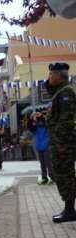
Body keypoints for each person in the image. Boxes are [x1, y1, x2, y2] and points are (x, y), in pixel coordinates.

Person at [45, 62, 76, 223]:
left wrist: (61, 143)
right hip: (60, 141)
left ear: (59, 76)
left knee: (66, 174)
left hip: (64, 143)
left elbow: (66, 121)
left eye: (51, 75)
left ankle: (70, 210)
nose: (48, 77)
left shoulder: (66, 93)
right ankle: (69, 208)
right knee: (62, 174)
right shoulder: (60, 92)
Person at [30, 110, 53, 185]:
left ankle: (52, 178)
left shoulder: (46, 124)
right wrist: (32, 119)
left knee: (48, 163)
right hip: (39, 147)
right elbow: (30, 127)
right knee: (42, 164)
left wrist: (41, 116)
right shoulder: (35, 127)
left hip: (47, 146)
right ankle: (44, 178)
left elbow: (46, 122)